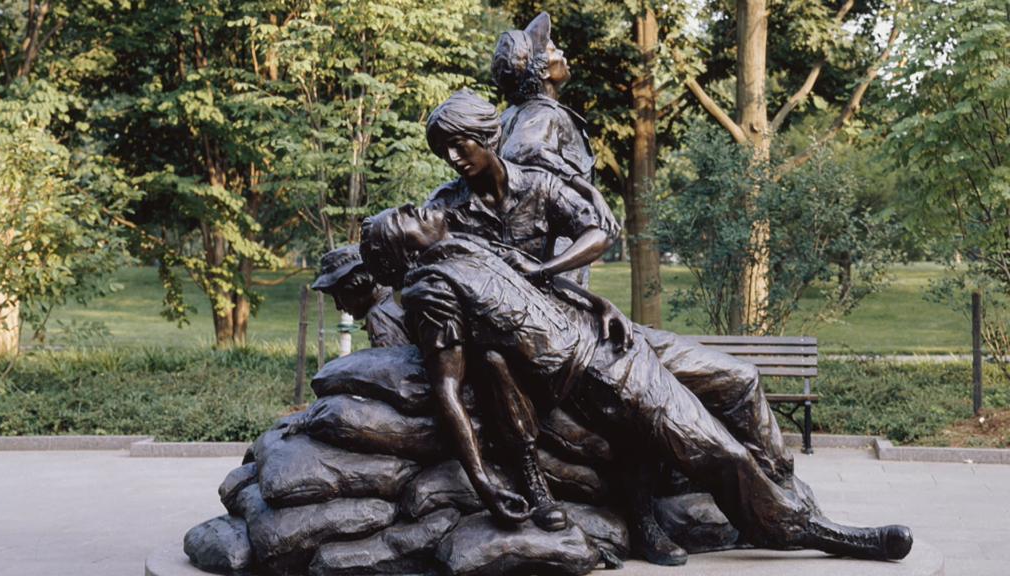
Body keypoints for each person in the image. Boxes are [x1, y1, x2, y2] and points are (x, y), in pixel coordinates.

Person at [359, 203, 914, 564]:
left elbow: (546, 286)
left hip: (620, 335)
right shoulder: (431, 293)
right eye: (403, 216)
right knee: (722, 455)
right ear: (403, 250)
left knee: (740, 379)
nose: (417, 206)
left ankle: (774, 494)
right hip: (600, 375)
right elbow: (448, 392)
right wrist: (483, 483)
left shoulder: (468, 244)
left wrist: (603, 303)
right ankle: (821, 533)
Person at [420, 88, 792, 564]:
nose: (453, 158)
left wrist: (576, 288)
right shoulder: (445, 209)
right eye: (443, 150)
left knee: (740, 377)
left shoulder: (538, 185)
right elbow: (426, 267)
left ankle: (782, 486)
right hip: (529, 348)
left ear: (486, 136)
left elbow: (597, 231)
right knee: (629, 403)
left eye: (460, 144)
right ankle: (642, 524)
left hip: (580, 317)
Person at [490, 12, 619, 288]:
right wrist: (588, 190)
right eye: (552, 49)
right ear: (543, 69)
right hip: (555, 258)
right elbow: (522, 149)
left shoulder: (509, 116)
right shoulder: (546, 114)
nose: (561, 52)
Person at [311, 245, 410, 348]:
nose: (338, 306)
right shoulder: (396, 298)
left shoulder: (379, 316)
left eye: (338, 295)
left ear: (355, 284)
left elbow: (394, 362)